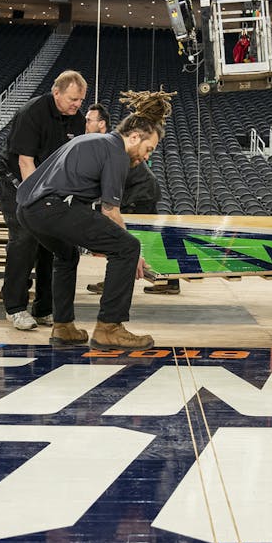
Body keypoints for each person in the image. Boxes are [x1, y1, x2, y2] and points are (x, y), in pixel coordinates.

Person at [16, 89, 170, 350]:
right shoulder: (115, 152)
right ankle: (110, 328)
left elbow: (81, 203)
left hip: (29, 210)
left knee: (66, 255)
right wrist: (134, 255)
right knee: (127, 247)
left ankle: (63, 326)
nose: (147, 156)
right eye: (148, 149)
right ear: (133, 137)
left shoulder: (89, 142)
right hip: (52, 207)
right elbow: (110, 210)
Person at [0, 70, 87, 330]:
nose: (77, 105)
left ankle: (44, 308)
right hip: (17, 185)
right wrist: (36, 202)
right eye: (73, 99)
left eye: (81, 100)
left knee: (53, 243)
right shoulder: (32, 113)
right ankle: (14, 307)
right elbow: (26, 162)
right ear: (56, 92)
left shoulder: (76, 120)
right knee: (24, 239)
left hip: (49, 189)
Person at [84, 102, 178, 297]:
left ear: (101, 124)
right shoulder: (108, 142)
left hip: (140, 192)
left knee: (129, 237)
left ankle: (119, 281)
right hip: (137, 191)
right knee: (141, 238)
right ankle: (169, 281)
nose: (85, 123)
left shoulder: (112, 143)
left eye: (89, 120)